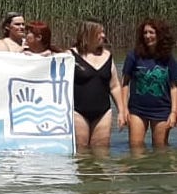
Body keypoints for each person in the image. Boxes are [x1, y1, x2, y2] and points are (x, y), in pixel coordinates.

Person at [121, 19, 177, 149]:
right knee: (135, 148)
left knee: (160, 149)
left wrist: (174, 112)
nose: (147, 36)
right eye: (145, 33)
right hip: (137, 110)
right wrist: (124, 109)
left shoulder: (168, 59)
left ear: (159, 35)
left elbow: (174, 87)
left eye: (151, 32)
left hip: (162, 110)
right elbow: (124, 83)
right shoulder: (133, 56)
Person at [70, 19, 124, 150]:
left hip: (103, 112)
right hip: (77, 112)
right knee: (81, 150)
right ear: (88, 33)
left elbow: (115, 86)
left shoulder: (107, 56)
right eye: (99, 33)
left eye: (103, 32)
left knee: (102, 150)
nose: (103, 36)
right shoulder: (70, 55)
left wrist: (122, 111)